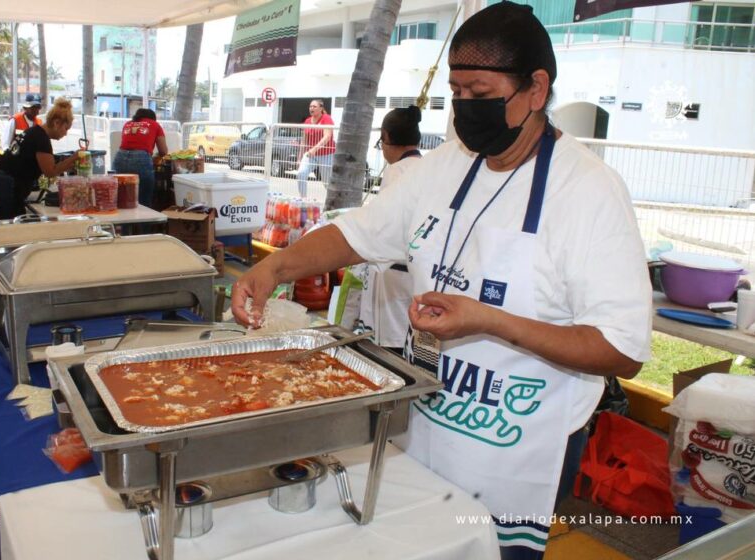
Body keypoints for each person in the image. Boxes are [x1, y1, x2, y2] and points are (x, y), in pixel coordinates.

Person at [231, 3, 651, 559]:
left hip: (514, 438)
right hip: (425, 415)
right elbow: (359, 232)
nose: (464, 109)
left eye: (480, 93)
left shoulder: (588, 192)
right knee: (409, 542)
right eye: (456, 93)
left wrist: (487, 320)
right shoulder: (444, 166)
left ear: (535, 88)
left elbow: (622, 348)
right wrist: (273, 268)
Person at [355, 106, 424, 353]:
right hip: (415, 270)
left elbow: (383, 225)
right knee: (406, 334)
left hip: (393, 270)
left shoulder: (396, 171)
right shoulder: (427, 167)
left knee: (388, 341)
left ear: (387, 137)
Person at [0, 98, 79, 219]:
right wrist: (74, 157)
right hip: (5, 183)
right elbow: (50, 171)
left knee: (11, 221)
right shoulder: (41, 138)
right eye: (66, 129)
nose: (65, 133)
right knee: (12, 225)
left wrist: (69, 163)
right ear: (57, 123)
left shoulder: (35, 132)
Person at [112, 108, 168, 208]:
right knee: (143, 198)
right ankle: (143, 223)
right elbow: (163, 151)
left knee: (122, 197)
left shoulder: (128, 124)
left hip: (120, 157)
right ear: (152, 118)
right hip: (141, 158)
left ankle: (124, 223)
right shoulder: (155, 124)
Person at [296, 99, 335, 198]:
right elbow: (304, 141)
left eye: (314, 106)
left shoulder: (326, 119)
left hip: (327, 154)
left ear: (321, 108)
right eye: (310, 106)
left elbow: (327, 136)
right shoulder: (307, 121)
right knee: (301, 174)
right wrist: (299, 158)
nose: (311, 108)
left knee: (327, 182)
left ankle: (333, 202)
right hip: (310, 155)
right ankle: (303, 200)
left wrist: (314, 149)